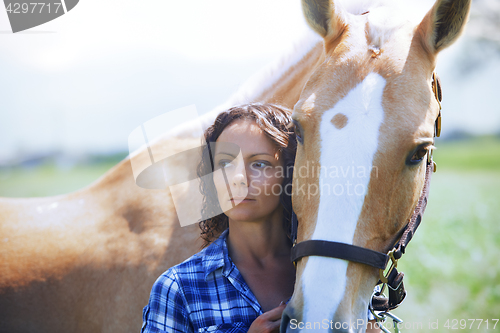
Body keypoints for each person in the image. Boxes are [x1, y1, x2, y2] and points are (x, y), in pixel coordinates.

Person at [141, 103, 381, 333]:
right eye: (225, 163)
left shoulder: (330, 274)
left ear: (292, 175)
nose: (238, 177)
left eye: (259, 164)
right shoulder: (179, 288)